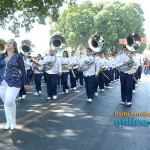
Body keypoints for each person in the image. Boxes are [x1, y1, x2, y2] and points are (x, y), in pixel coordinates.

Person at [0, 39, 29, 130]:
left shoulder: (17, 56)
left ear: (14, 46)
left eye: (10, 43)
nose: (7, 44)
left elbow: (23, 70)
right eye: (7, 43)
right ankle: (8, 122)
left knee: (9, 101)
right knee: (5, 101)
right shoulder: (1, 56)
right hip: (2, 81)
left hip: (14, 81)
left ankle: (13, 121)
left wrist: (25, 83)